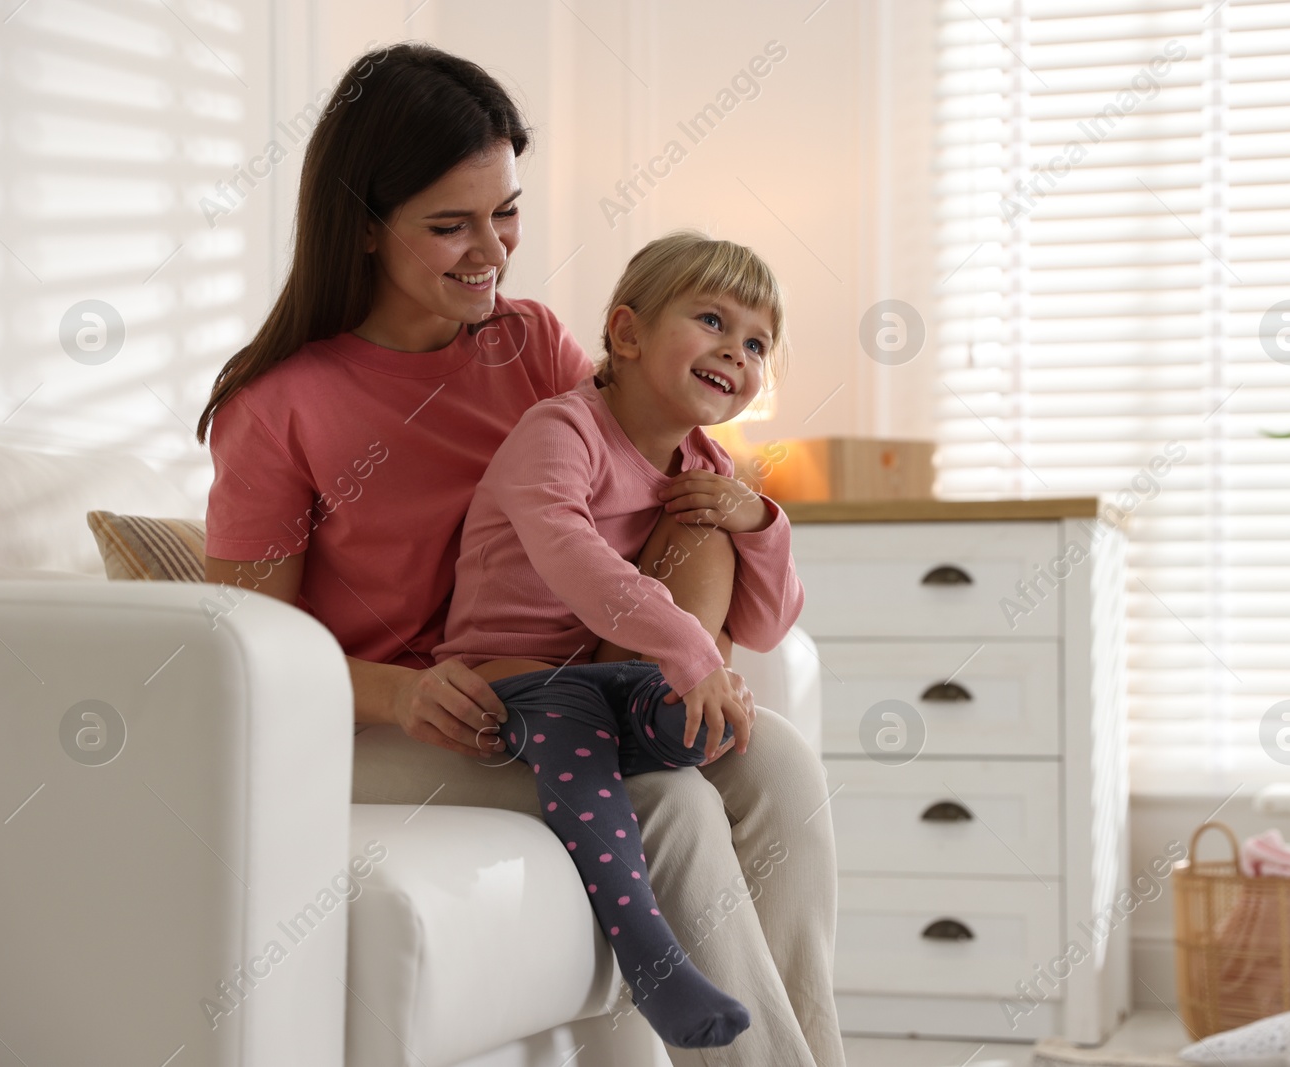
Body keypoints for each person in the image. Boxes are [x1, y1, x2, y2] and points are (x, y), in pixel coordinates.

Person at [197, 42, 845, 1067]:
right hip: (401, 725)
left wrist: (718, 586)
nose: (490, 251)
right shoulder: (275, 408)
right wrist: (402, 695)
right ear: (363, 227)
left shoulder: (529, 342)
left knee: (779, 764)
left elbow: (667, 494)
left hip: (564, 693)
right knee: (669, 801)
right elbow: (243, 654)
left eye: (505, 212)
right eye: (449, 226)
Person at [433, 231, 801, 1048]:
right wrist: (692, 655)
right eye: (712, 320)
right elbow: (572, 555)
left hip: (617, 680)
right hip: (517, 677)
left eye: (755, 343)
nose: (735, 352)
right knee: (577, 726)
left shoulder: (707, 463)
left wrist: (758, 518)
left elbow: (770, 622)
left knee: (762, 752)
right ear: (628, 335)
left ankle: (669, 726)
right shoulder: (561, 431)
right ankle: (652, 957)